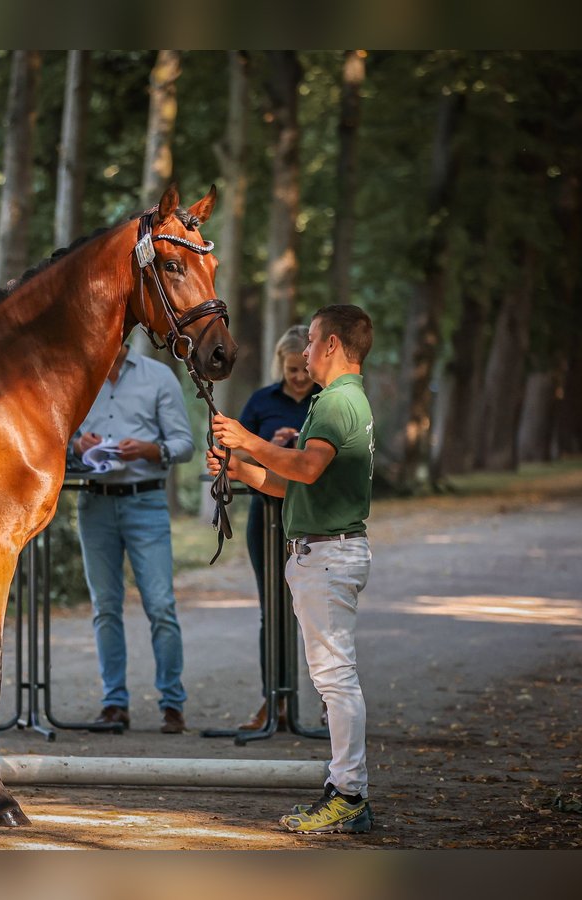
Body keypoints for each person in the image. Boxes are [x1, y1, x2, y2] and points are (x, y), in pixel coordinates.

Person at [209, 304, 376, 834]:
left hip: (327, 555)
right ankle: (346, 790)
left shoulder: (333, 404)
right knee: (334, 678)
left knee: (335, 679)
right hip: (323, 551)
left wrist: (246, 440)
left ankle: (348, 793)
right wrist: (240, 467)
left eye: (310, 343)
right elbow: (293, 484)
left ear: (330, 346)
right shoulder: (343, 401)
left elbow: (304, 465)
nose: (303, 354)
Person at [69, 343, 196, 734]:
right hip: (94, 503)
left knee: (160, 605)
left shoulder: (158, 376)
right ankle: (114, 704)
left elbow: (184, 444)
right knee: (105, 606)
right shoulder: (77, 379)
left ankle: (172, 704)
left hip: (146, 503)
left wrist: (150, 449)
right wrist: (76, 443)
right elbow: (54, 434)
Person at [235, 324, 319, 731]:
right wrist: (271, 443)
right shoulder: (261, 401)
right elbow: (235, 446)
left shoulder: (327, 402)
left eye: (302, 369)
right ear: (280, 367)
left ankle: (323, 702)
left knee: (316, 612)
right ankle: (274, 702)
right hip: (265, 515)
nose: (299, 378)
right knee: (273, 611)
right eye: (290, 371)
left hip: (311, 515)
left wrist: (301, 443)